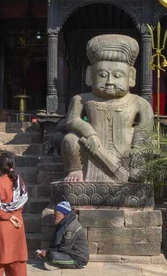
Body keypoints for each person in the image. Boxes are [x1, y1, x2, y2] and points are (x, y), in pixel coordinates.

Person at [61, 34, 154, 183]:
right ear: (90, 75)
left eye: (117, 75)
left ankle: (134, 177)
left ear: (131, 76)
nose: (110, 81)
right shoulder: (81, 99)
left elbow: (145, 128)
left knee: (146, 146)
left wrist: (137, 149)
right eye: (103, 75)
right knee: (70, 139)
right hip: (91, 150)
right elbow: (72, 120)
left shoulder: (139, 102)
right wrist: (90, 134)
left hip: (126, 153)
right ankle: (75, 170)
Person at [36, 201, 89, 270]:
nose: (54, 216)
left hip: (78, 259)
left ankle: (59, 264)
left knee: (52, 256)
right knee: (51, 254)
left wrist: (47, 253)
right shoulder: (63, 224)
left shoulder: (71, 228)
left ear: (64, 215)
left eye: (57, 214)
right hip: (69, 254)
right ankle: (57, 262)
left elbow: (64, 248)